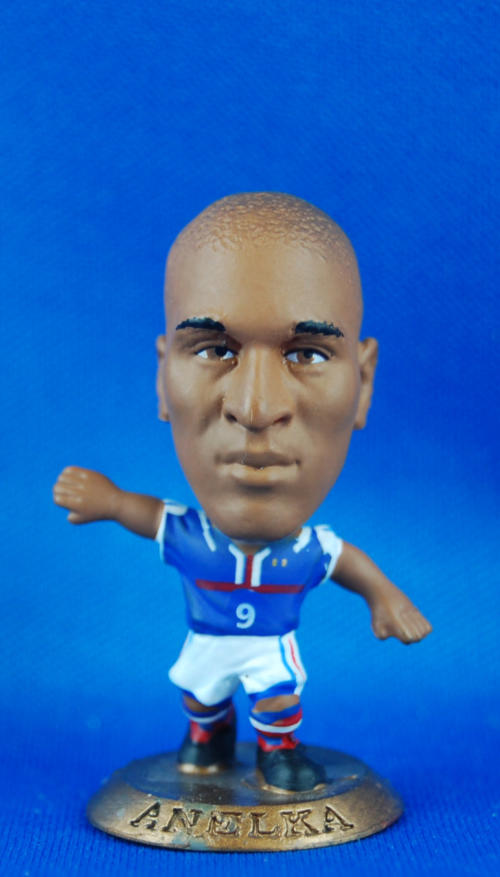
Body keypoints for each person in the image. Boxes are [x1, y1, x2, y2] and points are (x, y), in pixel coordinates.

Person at [53, 192, 431, 792]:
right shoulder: (192, 537)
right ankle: (209, 735)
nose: (255, 408)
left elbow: (345, 562)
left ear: (362, 385)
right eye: (214, 351)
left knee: (277, 693)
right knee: (200, 692)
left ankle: (279, 751)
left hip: (267, 648)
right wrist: (111, 502)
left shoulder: (303, 552)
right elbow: (147, 515)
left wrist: (384, 596)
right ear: (163, 379)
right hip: (209, 642)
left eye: (307, 354)